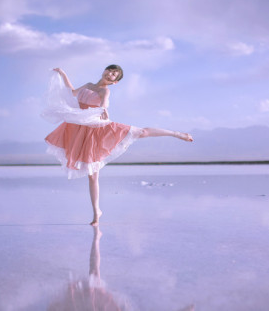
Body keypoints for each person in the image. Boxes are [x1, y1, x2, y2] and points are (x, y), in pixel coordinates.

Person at [42, 65, 193, 226]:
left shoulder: (105, 91)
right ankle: (97, 212)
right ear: (104, 71)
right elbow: (71, 92)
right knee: (92, 176)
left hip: (98, 127)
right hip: (82, 128)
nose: (111, 74)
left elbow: (105, 103)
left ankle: (177, 134)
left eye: (115, 74)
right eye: (110, 70)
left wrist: (103, 109)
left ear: (115, 82)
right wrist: (63, 74)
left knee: (141, 132)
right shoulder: (87, 85)